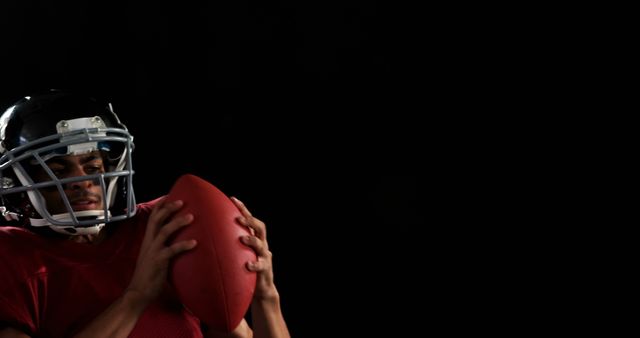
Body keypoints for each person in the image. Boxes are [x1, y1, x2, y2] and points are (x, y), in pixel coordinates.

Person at [0, 90, 291, 338]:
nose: (81, 182)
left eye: (93, 167)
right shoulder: (12, 254)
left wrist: (266, 296)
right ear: (17, 183)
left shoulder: (164, 225)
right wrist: (136, 296)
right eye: (58, 170)